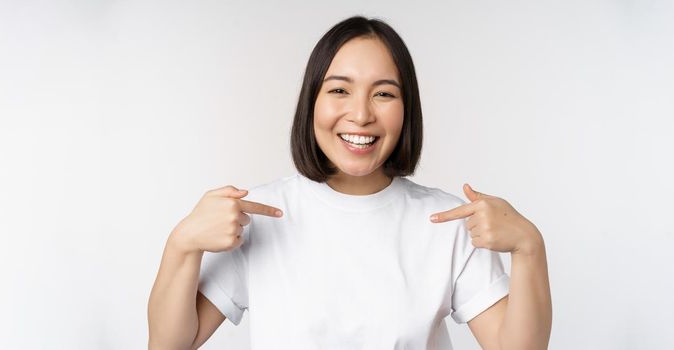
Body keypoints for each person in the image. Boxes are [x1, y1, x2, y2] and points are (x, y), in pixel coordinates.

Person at [148, 15, 552, 350]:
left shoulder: (448, 222)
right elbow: (170, 345)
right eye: (339, 89)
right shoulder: (257, 216)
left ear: (406, 110)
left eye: (384, 94)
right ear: (312, 102)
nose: (360, 115)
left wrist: (529, 247)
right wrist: (182, 244)